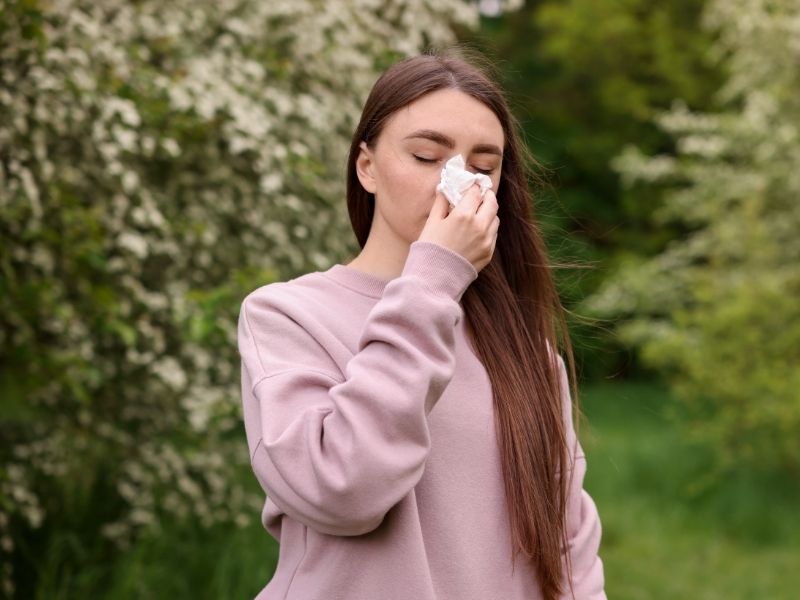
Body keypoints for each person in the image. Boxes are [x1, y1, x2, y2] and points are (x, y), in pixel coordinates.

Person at [237, 48, 606, 600]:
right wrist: (433, 281)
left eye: (482, 168)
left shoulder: (526, 354)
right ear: (367, 167)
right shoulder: (287, 316)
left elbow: (569, 552)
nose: (455, 184)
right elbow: (341, 491)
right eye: (428, 156)